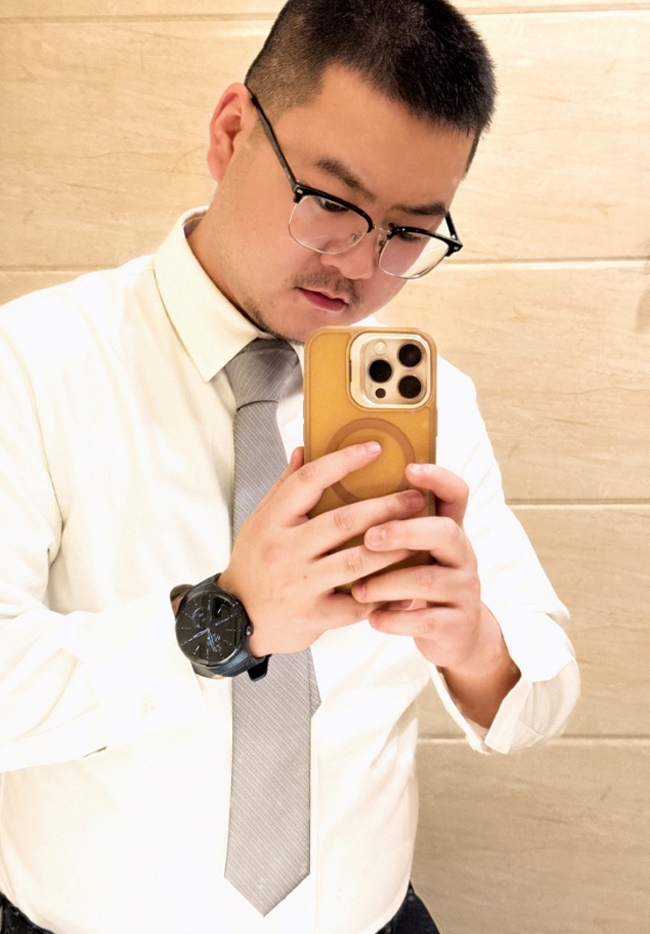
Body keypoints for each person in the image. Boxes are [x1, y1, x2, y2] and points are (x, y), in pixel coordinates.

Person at [0, 1, 580, 932]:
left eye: (409, 231)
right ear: (232, 132)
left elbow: (543, 694)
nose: (359, 263)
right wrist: (221, 622)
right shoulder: (29, 364)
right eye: (332, 202)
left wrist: (475, 643)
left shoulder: (436, 405)